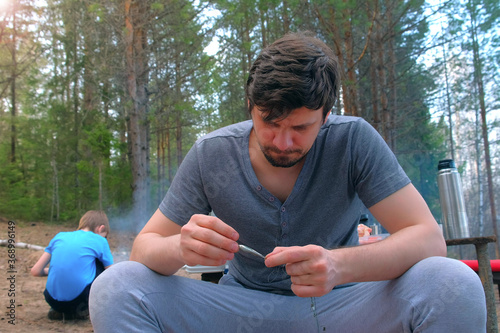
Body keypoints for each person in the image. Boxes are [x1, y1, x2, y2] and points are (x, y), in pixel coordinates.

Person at [89, 32, 485, 332]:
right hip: (239, 311)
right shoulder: (213, 153)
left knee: (453, 283)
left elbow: (427, 238)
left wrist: (337, 265)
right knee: (116, 286)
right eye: (269, 122)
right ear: (250, 106)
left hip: (344, 308)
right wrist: (181, 247)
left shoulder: (354, 140)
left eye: (299, 127)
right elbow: (144, 248)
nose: (281, 142)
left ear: (326, 115)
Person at [31, 210, 113, 320]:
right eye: (105, 236)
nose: (104, 238)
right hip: (79, 301)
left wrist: (57, 271)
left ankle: (60, 310)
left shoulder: (59, 236)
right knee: (100, 266)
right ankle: (84, 310)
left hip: (52, 300)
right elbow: (111, 273)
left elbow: (35, 271)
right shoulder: (99, 240)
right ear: (101, 228)